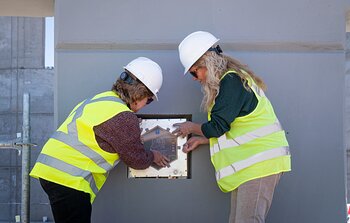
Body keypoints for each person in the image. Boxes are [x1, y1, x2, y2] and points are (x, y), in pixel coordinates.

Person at [30, 57, 170, 223]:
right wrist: (153, 155)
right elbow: (136, 160)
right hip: (69, 179)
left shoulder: (102, 100)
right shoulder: (123, 117)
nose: (148, 104)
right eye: (150, 99)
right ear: (141, 94)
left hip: (53, 171)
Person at [173, 31, 291, 223]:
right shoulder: (230, 82)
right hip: (253, 165)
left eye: (194, 72)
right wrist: (203, 140)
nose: (195, 78)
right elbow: (233, 126)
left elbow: (218, 126)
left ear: (207, 63)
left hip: (260, 163)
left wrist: (191, 127)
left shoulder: (231, 81)